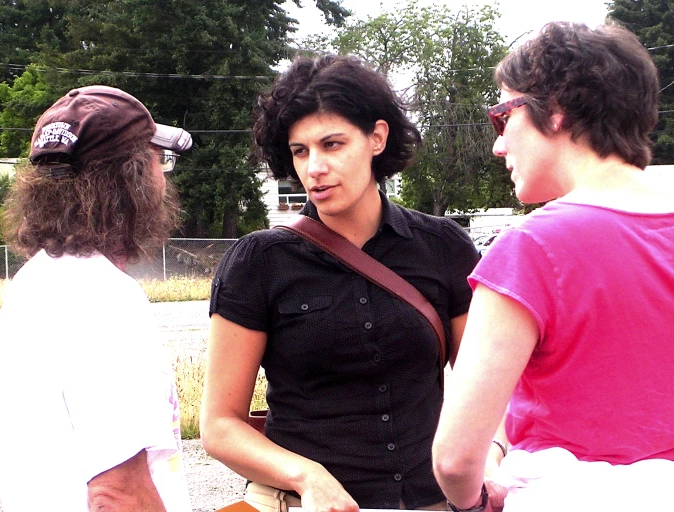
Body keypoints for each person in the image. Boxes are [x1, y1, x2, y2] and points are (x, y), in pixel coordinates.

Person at [432, 21, 674, 512]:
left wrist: (472, 502)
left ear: (554, 110)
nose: (499, 145)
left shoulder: (529, 247)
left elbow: (454, 459)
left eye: (501, 116)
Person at [200, 54, 480, 512]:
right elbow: (219, 426)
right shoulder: (258, 261)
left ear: (377, 137)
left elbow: (485, 390)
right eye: (300, 151)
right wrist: (306, 476)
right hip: (303, 505)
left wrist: (488, 461)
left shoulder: (443, 247)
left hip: (432, 503)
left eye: (332, 145)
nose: (314, 168)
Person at [0, 85, 194, 512]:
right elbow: (116, 494)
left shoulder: (32, 284)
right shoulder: (103, 300)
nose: (163, 176)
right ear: (132, 178)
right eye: (160, 161)